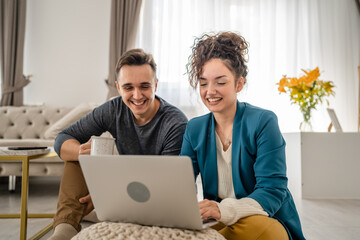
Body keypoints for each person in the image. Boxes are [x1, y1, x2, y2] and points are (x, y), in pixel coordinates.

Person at [49, 49, 188, 240]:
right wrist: (81, 152)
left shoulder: (175, 122)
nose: (137, 96)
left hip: (159, 201)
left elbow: (165, 185)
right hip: (124, 191)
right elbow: (62, 139)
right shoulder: (113, 109)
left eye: (145, 86)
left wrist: (107, 195)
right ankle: (64, 231)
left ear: (156, 85)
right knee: (77, 156)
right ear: (118, 87)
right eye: (128, 87)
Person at [181, 32, 305, 240]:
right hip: (218, 221)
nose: (210, 91)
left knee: (259, 229)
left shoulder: (263, 121)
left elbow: (272, 191)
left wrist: (224, 211)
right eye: (203, 83)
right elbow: (181, 184)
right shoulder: (194, 128)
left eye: (220, 82)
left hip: (264, 217)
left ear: (239, 84)